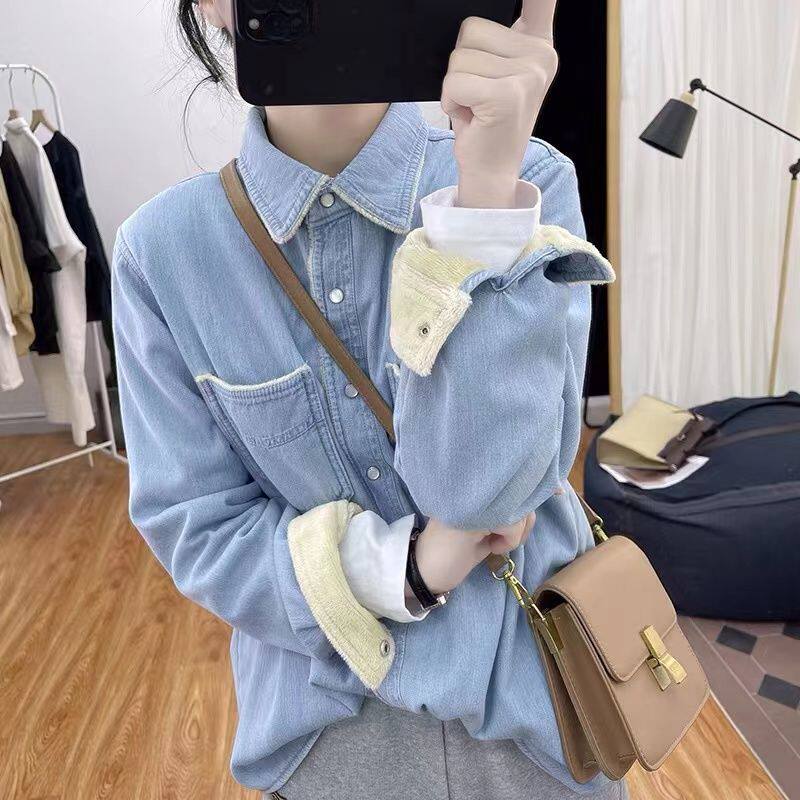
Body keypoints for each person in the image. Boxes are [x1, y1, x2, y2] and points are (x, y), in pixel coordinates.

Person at [112, 0, 620, 797]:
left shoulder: (526, 180)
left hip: (539, 716)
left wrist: (484, 200)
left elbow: (491, 493)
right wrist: (402, 568)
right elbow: (196, 524)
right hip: (326, 742)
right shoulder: (164, 253)